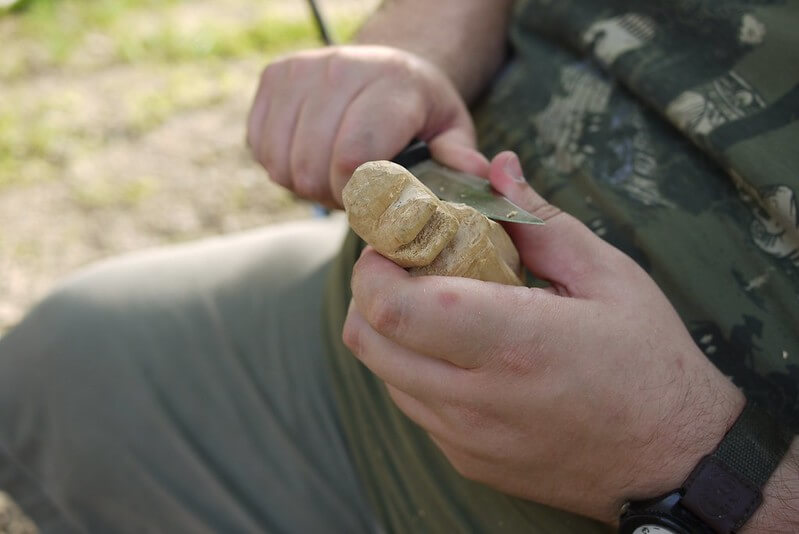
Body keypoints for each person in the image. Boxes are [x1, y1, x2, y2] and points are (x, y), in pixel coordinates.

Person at [1, 0, 797, 532]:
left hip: (658, 501)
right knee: (60, 357)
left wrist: (699, 464)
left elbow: (714, 475)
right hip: (342, 358)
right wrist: (414, 53)